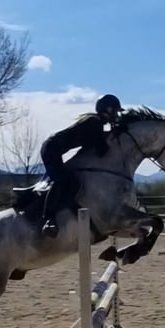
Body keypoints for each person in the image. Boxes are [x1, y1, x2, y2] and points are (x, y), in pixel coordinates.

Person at [39, 93, 124, 237]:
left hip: (54, 149)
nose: (116, 115)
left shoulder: (94, 122)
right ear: (108, 110)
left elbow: (90, 146)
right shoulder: (94, 123)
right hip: (51, 150)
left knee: (70, 180)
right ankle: (49, 219)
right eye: (115, 111)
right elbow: (101, 150)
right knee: (64, 181)